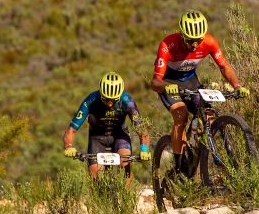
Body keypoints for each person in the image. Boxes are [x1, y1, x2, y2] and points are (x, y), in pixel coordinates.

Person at [150, 11, 249, 175]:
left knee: (208, 115)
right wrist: (166, 86)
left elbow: (224, 66)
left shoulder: (209, 42)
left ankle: (197, 151)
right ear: (182, 35)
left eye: (198, 40)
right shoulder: (168, 44)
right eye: (190, 40)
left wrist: (237, 85)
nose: (195, 44)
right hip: (168, 82)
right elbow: (155, 82)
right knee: (181, 116)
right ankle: (180, 166)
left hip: (190, 81)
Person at [62, 71, 150, 185]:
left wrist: (144, 149)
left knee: (125, 163)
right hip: (97, 138)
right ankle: (99, 201)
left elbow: (141, 128)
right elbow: (71, 130)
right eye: (106, 99)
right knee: (95, 175)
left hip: (120, 135)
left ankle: (126, 199)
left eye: (113, 100)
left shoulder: (127, 101)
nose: (109, 104)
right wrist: (69, 146)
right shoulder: (91, 100)